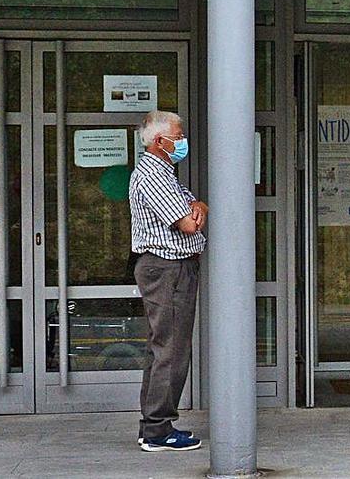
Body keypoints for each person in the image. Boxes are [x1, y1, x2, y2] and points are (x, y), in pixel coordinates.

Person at [129, 109, 208, 452]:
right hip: (168, 268)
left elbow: (197, 203)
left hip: (169, 268)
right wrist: (197, 210)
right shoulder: (153, 176)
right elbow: (188, 222)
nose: (182, 141)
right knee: (171, 350)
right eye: (178, 136)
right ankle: (159, 430)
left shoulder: (165, 173)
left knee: (164, 347)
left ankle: (154, 426)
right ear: (160, 141)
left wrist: (198, 205)